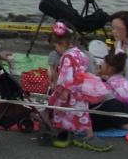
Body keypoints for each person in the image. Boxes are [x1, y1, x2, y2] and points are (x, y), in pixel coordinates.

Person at [46, 21, 112, 152]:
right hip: (80, 89)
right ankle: (85, 134)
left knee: (62, 110)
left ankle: (70, 133)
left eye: (56, 46)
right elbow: (84, 66)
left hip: (69, 90)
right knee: (82, 113)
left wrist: (60, 88)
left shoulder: (67, 57)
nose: (56, 49)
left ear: (62, 43)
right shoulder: (79, 53)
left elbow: (65, 75)